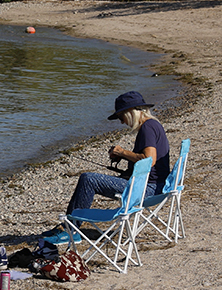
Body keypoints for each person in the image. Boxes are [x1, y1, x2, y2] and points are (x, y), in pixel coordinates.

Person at [45, 91, 170, 244]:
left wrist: (122, 151)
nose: (122, 122)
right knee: (90, 179)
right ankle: (68, 226)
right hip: (157, 186)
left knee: (88, 179)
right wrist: (124, 156)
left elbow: (149, 160)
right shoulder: (153, 125)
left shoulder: (147, 128)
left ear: (130, 113)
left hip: (147, 189)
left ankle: (71, 230)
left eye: (121, 117)